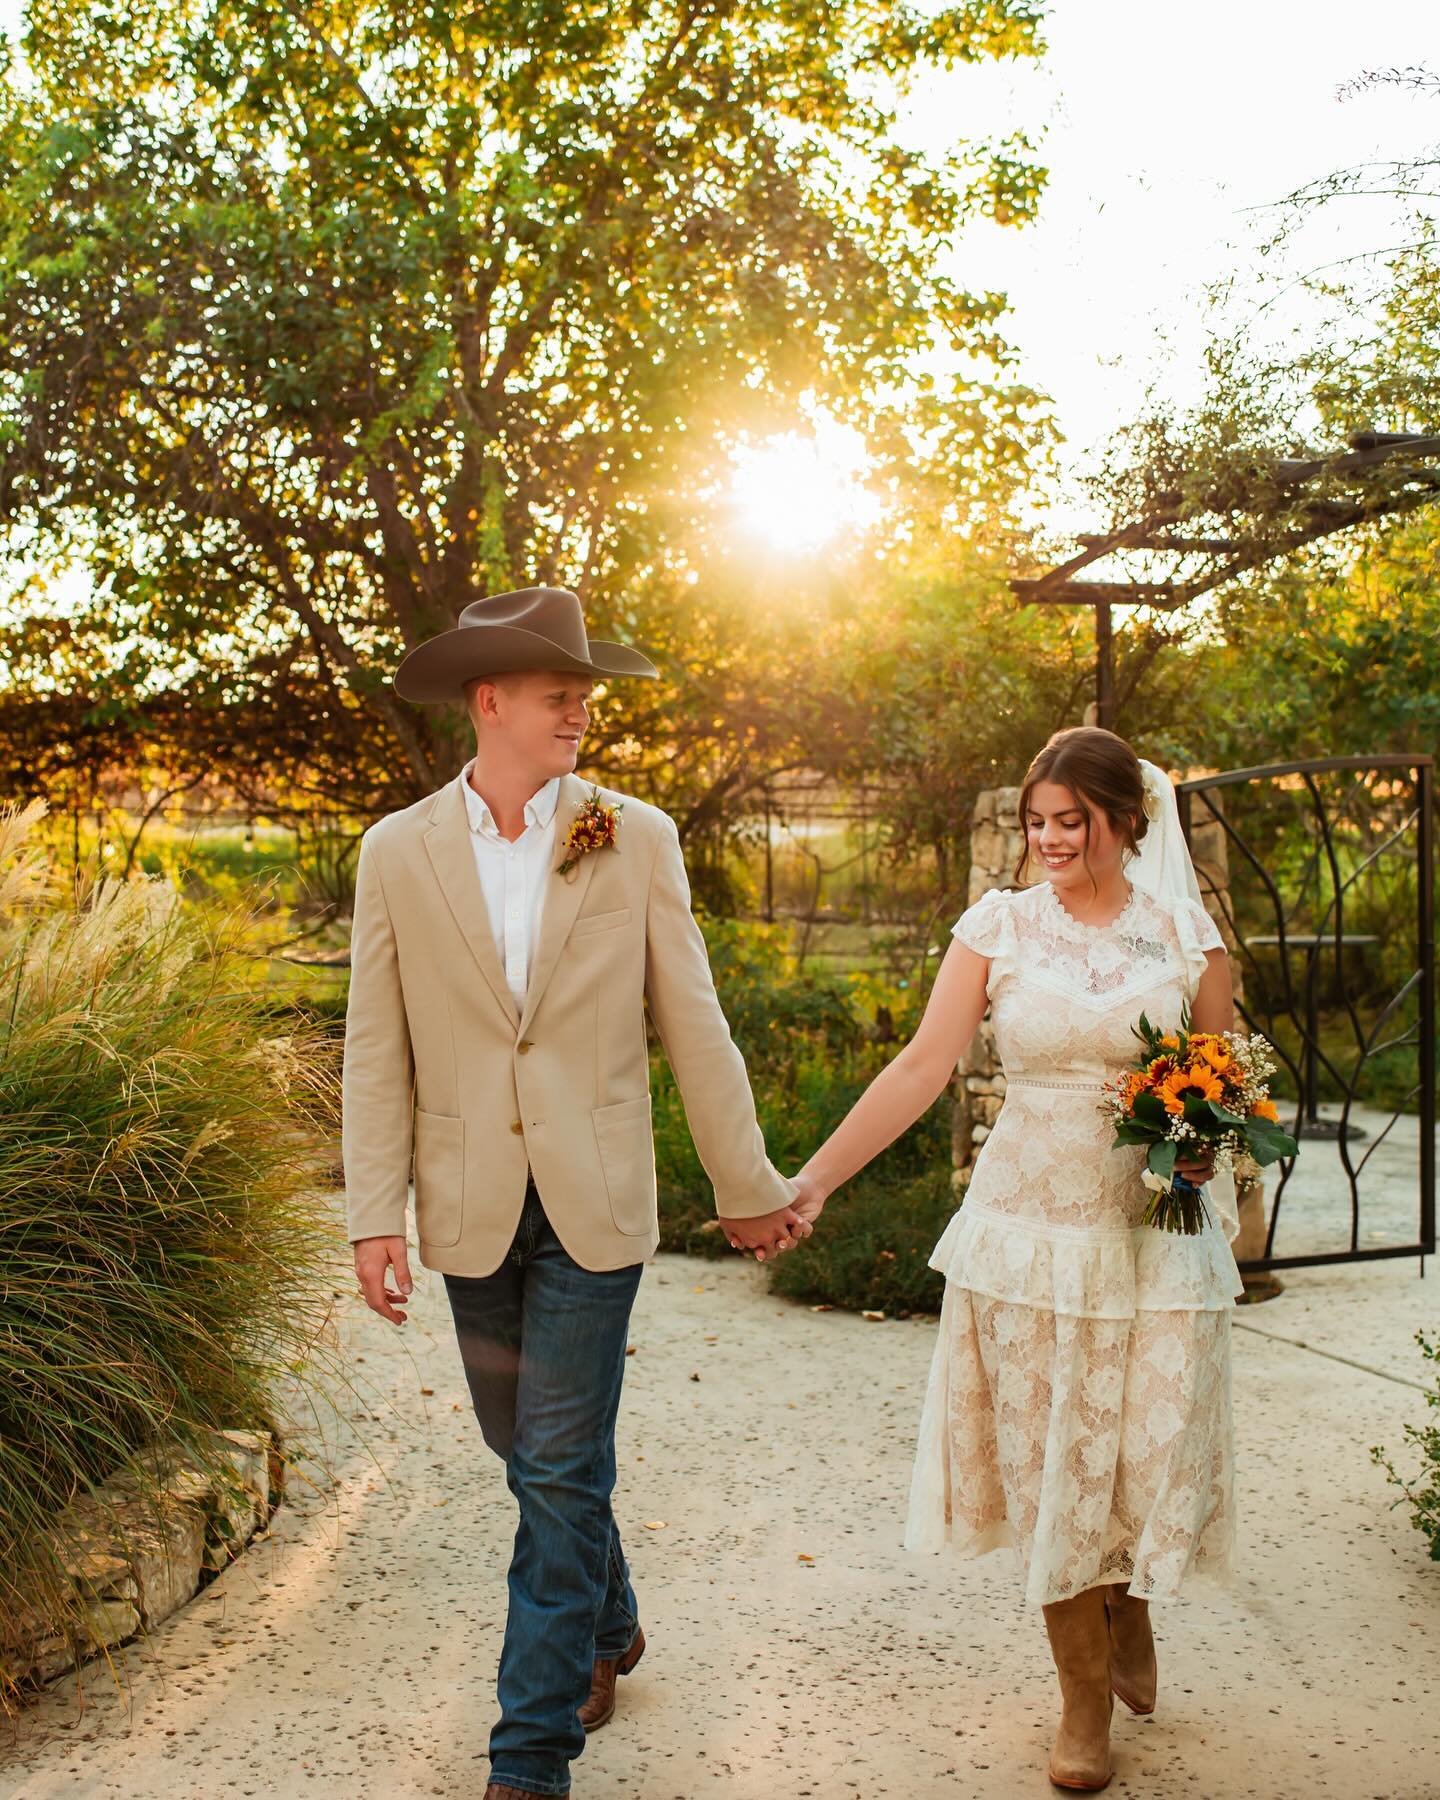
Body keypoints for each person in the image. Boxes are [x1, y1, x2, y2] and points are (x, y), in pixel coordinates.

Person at [341, 586, 813, 1800]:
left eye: (586, 696)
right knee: (525, 1451)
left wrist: (745, 1185)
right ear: (488, 702)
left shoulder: (634, 835)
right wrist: (371, 1213)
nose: (581, 715)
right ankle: (608, 1622)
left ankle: (528, 1754)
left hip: (595, 1204)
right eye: (562, 696)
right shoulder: (395, 852)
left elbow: (693, 1024)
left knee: (556, 1465)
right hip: (467, 1205)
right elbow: (374, 1043)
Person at [788, 726, 1242, 1792]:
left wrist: (1195, 1145)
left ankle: (1125, 1603)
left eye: (1070, 821)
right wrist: (814, 1178)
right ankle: (1082, 1699)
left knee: (1142, 1447)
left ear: (1125, 821)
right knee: (1049, 1469)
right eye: (1037, 821)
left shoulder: (1184, 931)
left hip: (1151, 1240)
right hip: (1027, 1240)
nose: (1047, 839)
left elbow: (1221, 1080)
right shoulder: (997, 927)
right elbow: (923, 1064)